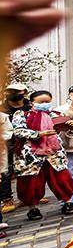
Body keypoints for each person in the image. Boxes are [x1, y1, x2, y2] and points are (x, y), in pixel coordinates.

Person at [10, 90, 73, 220]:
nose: (44, 104)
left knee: (62, 179)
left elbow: (66, 132)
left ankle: (66, 202)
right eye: (41, 102)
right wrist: (38, 134)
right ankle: (32, 208)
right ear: (32, 102)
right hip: (31, 155)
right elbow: (18, 131)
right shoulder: (22, 114)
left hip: (54, 153)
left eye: (47, 101)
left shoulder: (56, 114)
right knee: (31, 182)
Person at [1, 84, 29, 212]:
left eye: (17, 91)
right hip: (7, 142)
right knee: (7, 170)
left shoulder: (30, 105)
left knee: (28, 167)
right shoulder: (3, 108)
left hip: (27, 140)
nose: (14, 93)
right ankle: (7, 199)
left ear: (24, 92)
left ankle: (29, 195)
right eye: (11, 91)